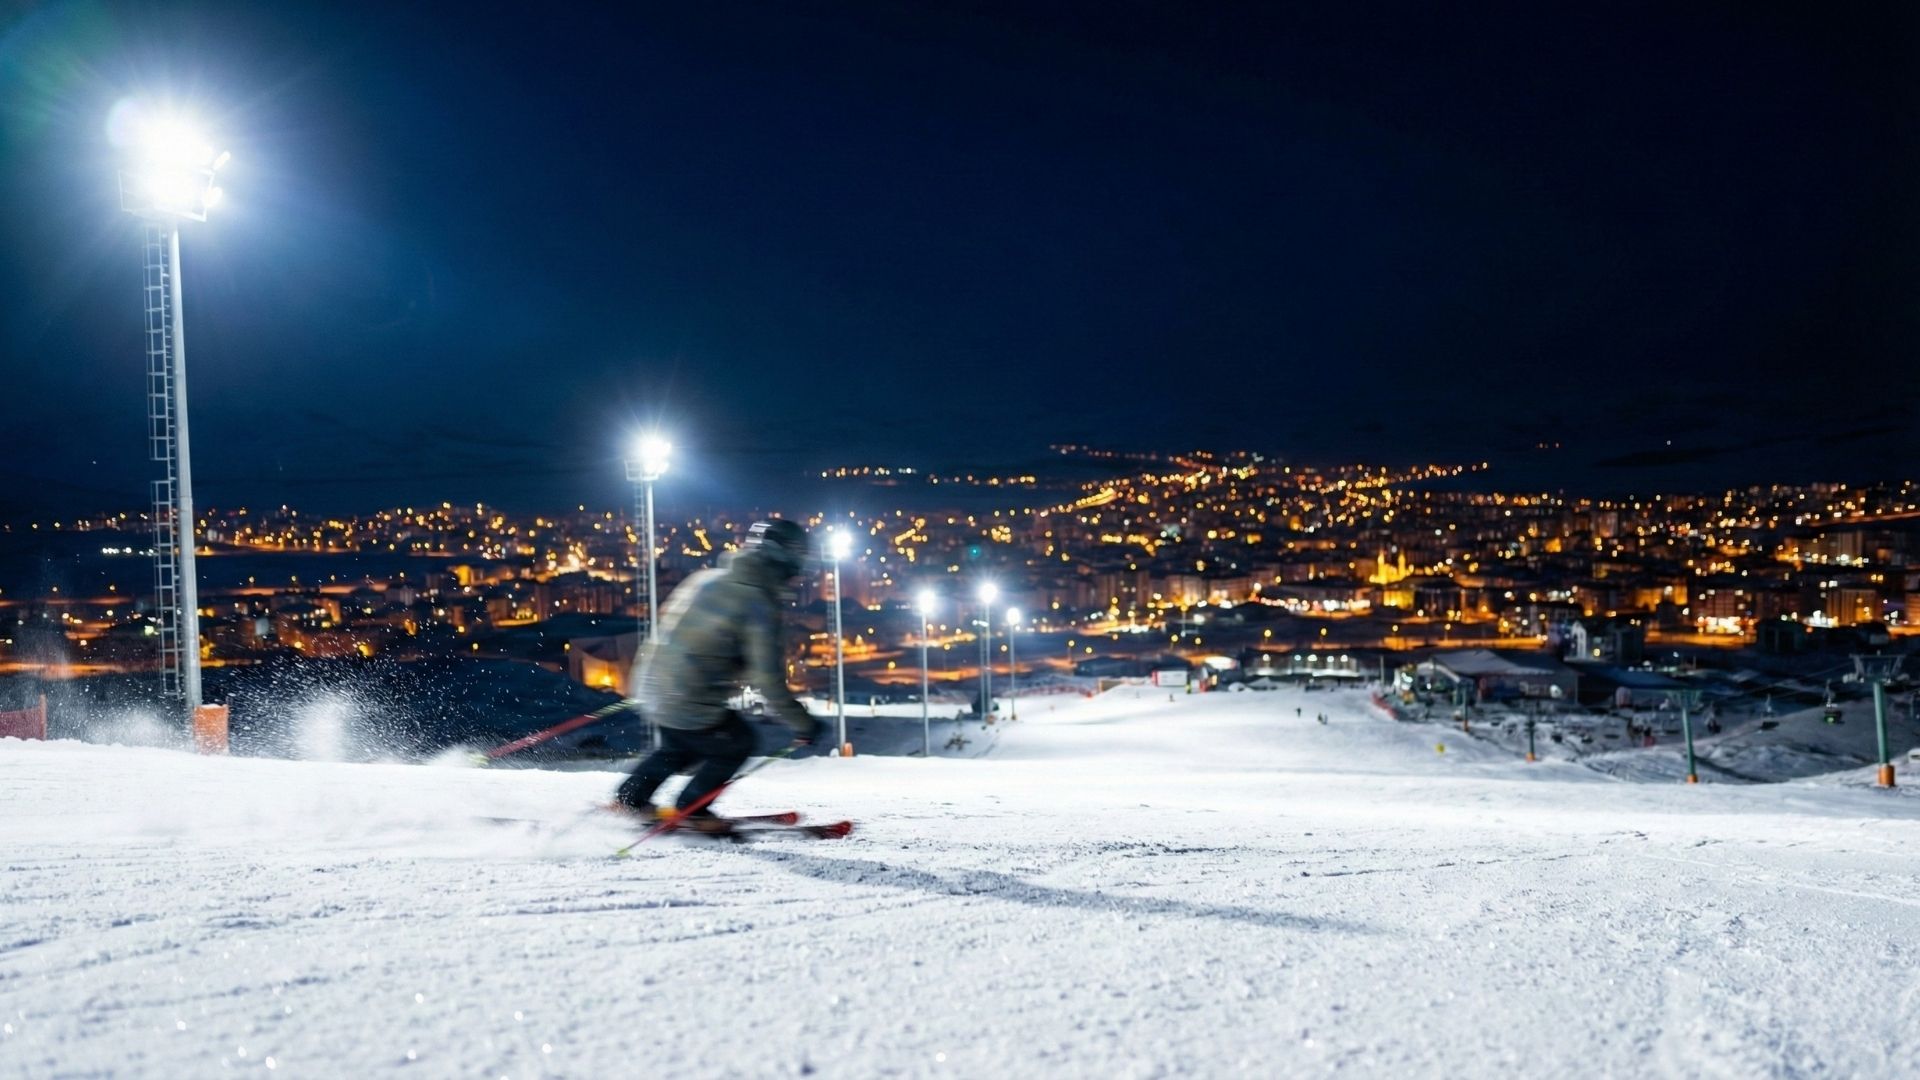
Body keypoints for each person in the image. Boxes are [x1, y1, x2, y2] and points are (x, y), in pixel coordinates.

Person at [613, 518, 828, 832]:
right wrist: (803, 723)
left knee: (680, 745)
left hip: (653, 684)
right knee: (737, 742)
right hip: (688, 696)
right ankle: (692, 810)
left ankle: (630, 799)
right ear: (784, 562)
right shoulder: (757, 604)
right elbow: (767, 680)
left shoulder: (709, 578)